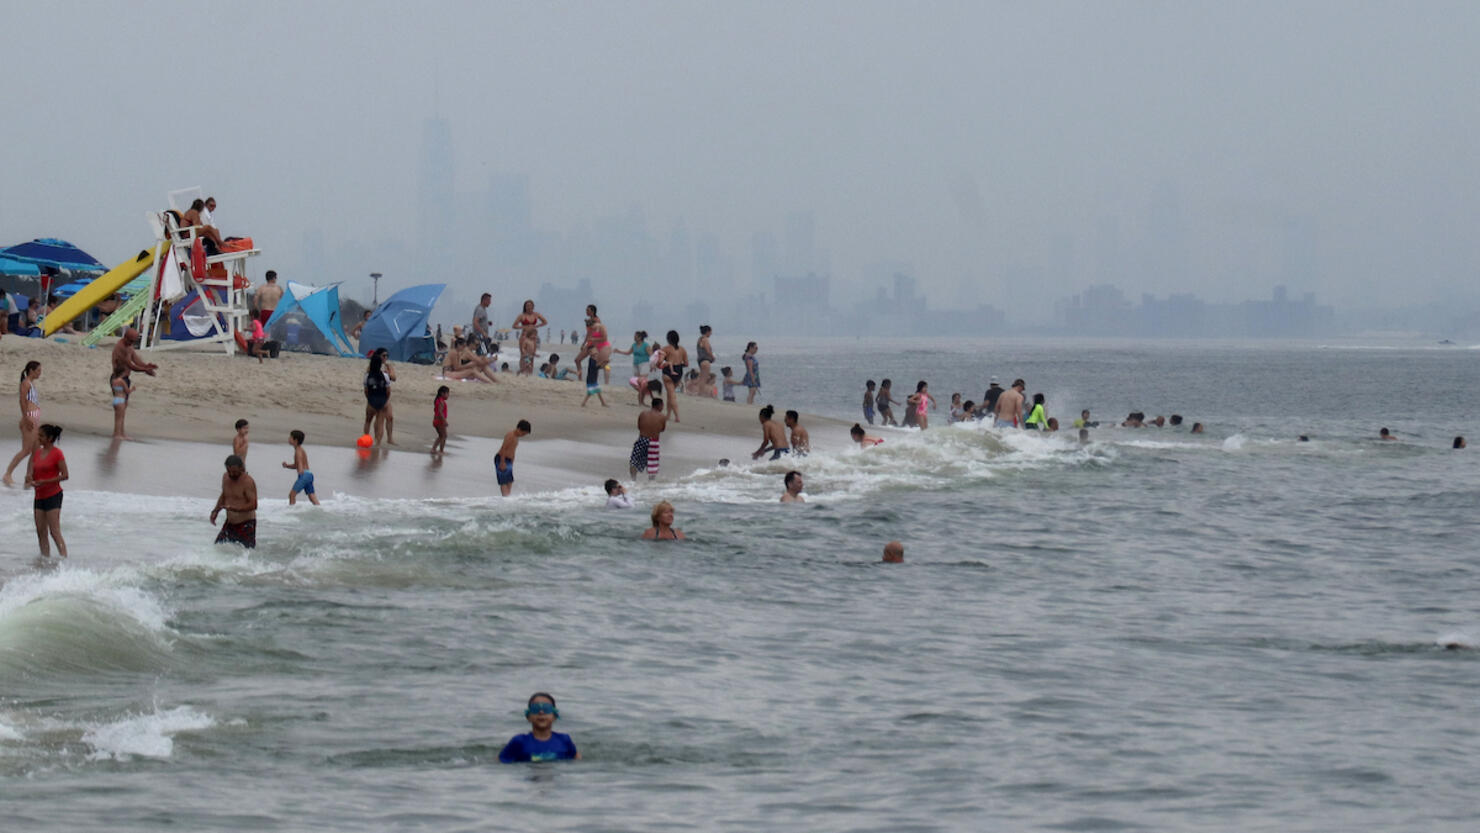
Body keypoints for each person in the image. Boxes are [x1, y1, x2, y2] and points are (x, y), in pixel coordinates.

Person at [497, 693, 580, 764]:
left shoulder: (564, 739)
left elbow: (576, 760)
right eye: (536, 709)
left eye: (546, 709)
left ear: (554, 716)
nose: (541, 712)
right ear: (528, 717)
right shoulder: (519, 741)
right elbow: (499, 763)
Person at [25, 423, 67, 559]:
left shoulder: (57, 454)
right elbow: (34, 468)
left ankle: (64, 559)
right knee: (40, 531)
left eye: (41, 436)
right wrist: (30, 477)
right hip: (39, 496)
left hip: (53, 495)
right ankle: (45, 559)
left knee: (54, 531)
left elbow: (65, 475)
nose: (38, 438)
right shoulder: (38, 453)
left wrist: (45, 482)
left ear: (50, 438)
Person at [111, 328, 158, 439]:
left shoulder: (129, 346)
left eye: (134, 341)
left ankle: (121, 433)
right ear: (125, 337)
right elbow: (131, 365)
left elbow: (136, 360)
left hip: (125, 379)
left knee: (123, 408)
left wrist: (146, 366)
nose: (131, 343)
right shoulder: (120, 347)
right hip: (119, 378)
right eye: (130, 341)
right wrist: (144, 370)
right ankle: (117, 433)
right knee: (120, 409)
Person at [3, 361, 43, 486]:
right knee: (26, 450)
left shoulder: (32, 384)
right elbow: (22, 401)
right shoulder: (25, 383)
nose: (40, 373)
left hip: (34, 419)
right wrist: (26, 418)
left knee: (36, 451)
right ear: (31, 370)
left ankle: (29, 477)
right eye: (38, 371)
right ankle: (7, 474)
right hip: (29, 419)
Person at [212, 455, 258, 548]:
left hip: (246, 524)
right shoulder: (225, 477)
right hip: (230, 524)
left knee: (246, 554)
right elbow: (224, 495)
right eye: (229, 471)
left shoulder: (248, 482)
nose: (232, 474)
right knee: (218, 548)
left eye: (235, 472)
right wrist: (216, 511)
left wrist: (236, 509)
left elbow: (254, 504)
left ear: (241, 469)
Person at [577, 305, 612, 406]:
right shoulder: (592, 327)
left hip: (596, 351)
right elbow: (590, 336)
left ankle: (587, 402)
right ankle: (602, 402)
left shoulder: (598, 324)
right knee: (593, 380)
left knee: (592, 378)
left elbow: (603, 338)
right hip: (594, 352)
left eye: (588, 310)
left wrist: (592, 342)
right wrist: (586, 343)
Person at [363, 349, 396, 445]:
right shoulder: (380, 372)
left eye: (387, 356)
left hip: (376, 397)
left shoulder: (369, 374)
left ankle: (386, 438)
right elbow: (388, 390)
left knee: (388, 418)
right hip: (382, 397)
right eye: (384, 356)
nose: (385, 358)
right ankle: (377, 442)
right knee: (379, 420)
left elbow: (394, 377)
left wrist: (389, 371)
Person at [281, 430, 321, 506]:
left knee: (292, 495)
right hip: (309, 475)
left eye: (290, 437)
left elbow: (299, 462)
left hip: (304, 475)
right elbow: (296, 465)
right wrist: (287, 466)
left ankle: (291, 512)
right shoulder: (300, 449)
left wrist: (300, 469)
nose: (288, 439)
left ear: (295, 440)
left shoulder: (298, 451)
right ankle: (320, 510)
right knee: (312, 497)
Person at [631, 398, 666, 480]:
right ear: (659, 405)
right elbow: (662, 429)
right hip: (653, 442)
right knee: (652, 465)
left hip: (642, 439)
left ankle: (633, 480)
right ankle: (651, 484)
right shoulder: (662, 417)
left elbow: (639, 427)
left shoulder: (643, 414)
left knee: (634, 462)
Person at [495, 420, 531, 496]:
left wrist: (512, 462)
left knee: (509, 480)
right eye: (523, 433)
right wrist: (502, 462)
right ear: (519, 429)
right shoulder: (510, 435)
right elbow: (504, 448)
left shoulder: (516, 438)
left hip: (508, 460)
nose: (523, 435)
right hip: (501, 459)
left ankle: (508, 496)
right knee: (503, 480)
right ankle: (505, 497)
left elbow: (513, 450)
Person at [512, 299, 548, 375]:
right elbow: (514, 326)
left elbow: (545, 322)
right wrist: (524, 327)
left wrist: (536, 326)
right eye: (527, 306)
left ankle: (530, 371)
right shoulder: (522, 315)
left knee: (532, 354)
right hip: (524, 336)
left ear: (533, 306)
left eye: (530, 305)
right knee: (524, 354)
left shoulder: (536, 314)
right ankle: (523, 370)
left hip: (533, 336)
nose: (529, 307)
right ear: (525, 307)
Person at [659, 330, 687, 423]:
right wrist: (678, 365)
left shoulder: (665, 349)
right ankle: (668, 415)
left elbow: (660, 361)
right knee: (670, 394)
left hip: (668, 372)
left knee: (671, 395)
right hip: (679, 371)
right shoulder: (682, 349)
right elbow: (686, 363)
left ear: (668, 339)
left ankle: (677, 416)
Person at [432, 386, 450, 455]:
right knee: (444, 436)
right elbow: (440, 412)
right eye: (447, 393)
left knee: (441, 436)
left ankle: (433, 449)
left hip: (436, 421)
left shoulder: (438, 400)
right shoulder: (441, 402)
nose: (448, 395)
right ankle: (441, 451)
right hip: (440, 421)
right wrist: (444, 421)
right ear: (442, 393)